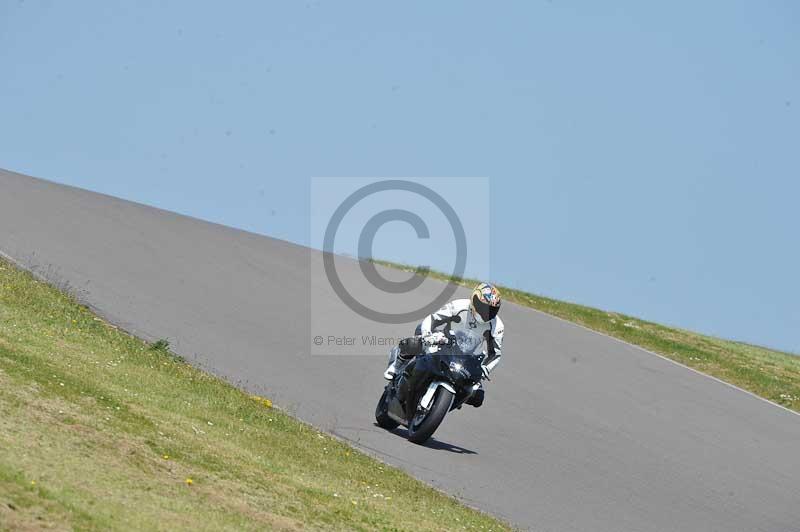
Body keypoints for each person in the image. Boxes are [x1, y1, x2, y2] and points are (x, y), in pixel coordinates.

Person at [383, 282, 504, 407]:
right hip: (444, 343)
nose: (486, 312)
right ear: (474, 299)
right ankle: (397, 365)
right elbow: (433, 319)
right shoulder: (459, 306)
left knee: (478, 397)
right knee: (417, 342)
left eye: (492, 310)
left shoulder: (496, 325)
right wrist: (428, 335)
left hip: (467, 358)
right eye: (482, 307)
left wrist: (485, 369)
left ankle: (446, 403)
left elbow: (495, 354)